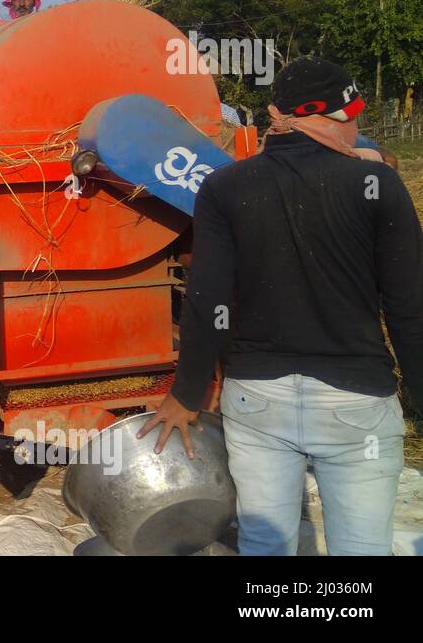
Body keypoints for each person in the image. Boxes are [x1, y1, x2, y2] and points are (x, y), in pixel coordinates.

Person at [139, 57, 423, 555]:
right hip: (354, 402)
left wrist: (185, 394)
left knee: (265, 546)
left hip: (256, 402)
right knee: (362, 548)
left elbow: (208, 299)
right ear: (330, 115)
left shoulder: (225, 186)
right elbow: (410, 307)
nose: (357, 129)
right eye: (353, 116)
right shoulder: (377, 188)